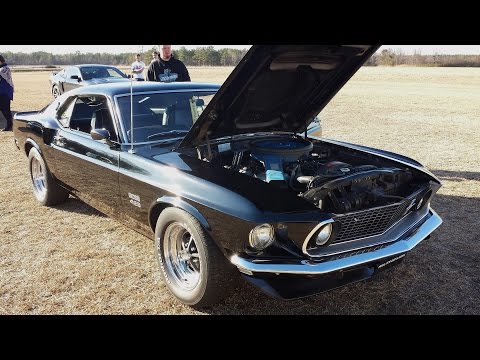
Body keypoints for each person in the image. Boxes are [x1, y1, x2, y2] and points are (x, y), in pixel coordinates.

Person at [0, 54, 14, 131]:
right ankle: (10, 124)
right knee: (3, 109)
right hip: (2, 92)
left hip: (5, 92)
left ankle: (10, 125)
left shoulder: (5, 69)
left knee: (6, 110)